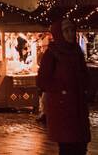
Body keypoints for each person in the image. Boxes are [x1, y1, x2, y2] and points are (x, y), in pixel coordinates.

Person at [37, 18, 90, 155]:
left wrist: (87, 89)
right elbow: (42, 80)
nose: (71, 34)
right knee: (67, 146)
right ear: (60, 33)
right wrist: (61, 89)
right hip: (63, 108)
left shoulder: (77, 52)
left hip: (78, 106)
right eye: (66, 31)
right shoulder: (52, 53)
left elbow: (84, 74)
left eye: (72, 30)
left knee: (81, 144)